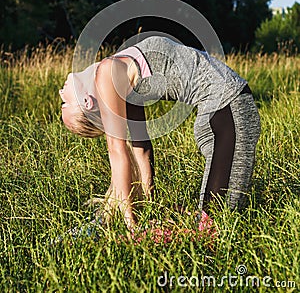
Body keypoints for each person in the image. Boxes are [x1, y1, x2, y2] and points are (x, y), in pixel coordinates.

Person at [59, 35, 261, 232]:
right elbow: (134, 150)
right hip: (227, 114)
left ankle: (153, 233)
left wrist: (135, 219)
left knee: (216, 221)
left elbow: (139, 150)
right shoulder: (109, 74)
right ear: (87, 102)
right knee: (214, 224)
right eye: (64, 104)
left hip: (227, 110)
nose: (60, 93)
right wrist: (137, 218)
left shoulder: (116, 69)